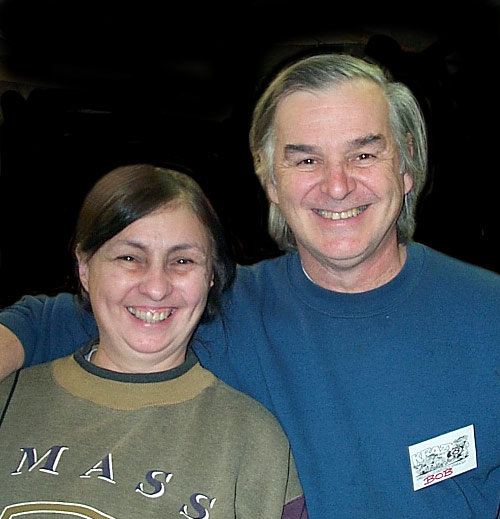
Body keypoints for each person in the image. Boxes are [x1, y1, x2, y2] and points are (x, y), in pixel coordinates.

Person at [1, 53, 499, 518]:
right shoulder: (215, 306)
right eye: (306, 160)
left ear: (406, 164)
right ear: (270, 181)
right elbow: (48, 323)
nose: (337, 185)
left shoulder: (488, 315)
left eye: (364, 154)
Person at [0, 164, 307, 518]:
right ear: (84, 268)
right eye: (130, 258)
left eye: (182, 261)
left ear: (211, 276)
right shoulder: (10, 397)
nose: (157, 288)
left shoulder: (254, 443)